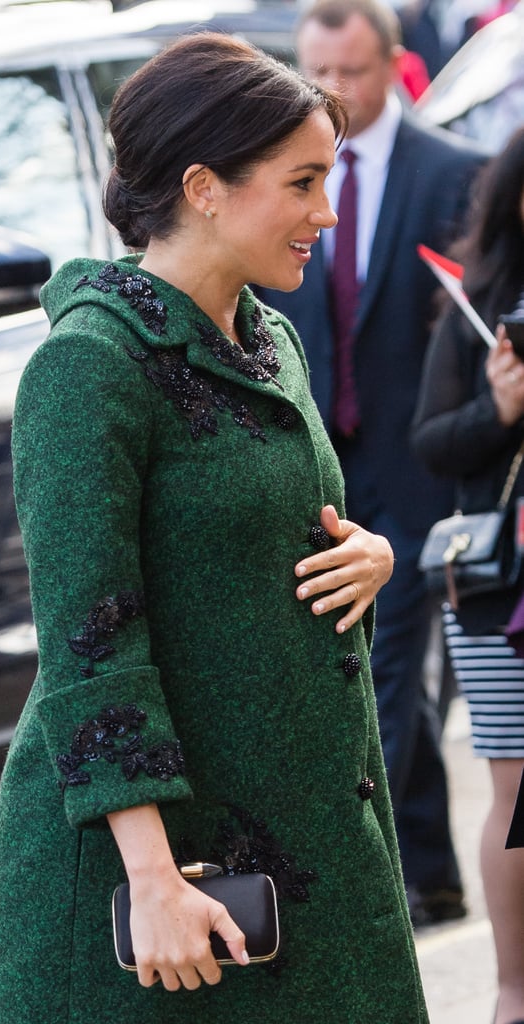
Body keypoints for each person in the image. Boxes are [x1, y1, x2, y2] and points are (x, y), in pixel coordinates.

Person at [0, 31, 429, 1024]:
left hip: (309, 850)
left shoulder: (273, 342)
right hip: (168, 881)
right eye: (302, 182)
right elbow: (88, 641)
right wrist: (150, 878)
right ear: (204, 186)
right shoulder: (88, 366)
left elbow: (278, 530)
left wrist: (369, 554)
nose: (326, 211)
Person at [254, 0, 486, 927]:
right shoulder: (280, 182)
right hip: (325, 462)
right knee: (386, 674)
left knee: (394, 670)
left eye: (350, 73)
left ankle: (408, 877)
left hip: (422, 458)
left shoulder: (453, 176)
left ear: (392, 65)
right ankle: (423, 872)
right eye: (318, 75)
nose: (334, 92)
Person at [411, 125, 524, 1024]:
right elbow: (431, 442)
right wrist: (499, 407)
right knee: (515, 788)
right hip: (499, 587)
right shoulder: (475, 307)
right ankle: (513, 989)